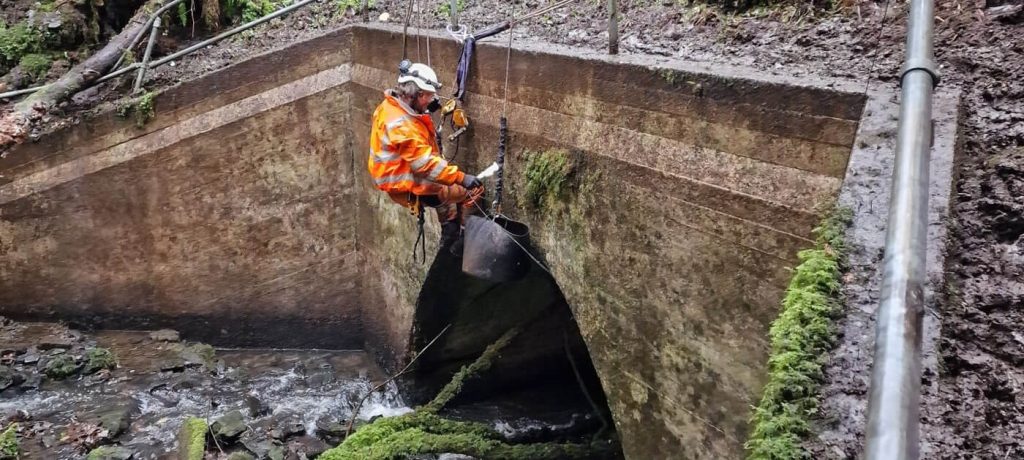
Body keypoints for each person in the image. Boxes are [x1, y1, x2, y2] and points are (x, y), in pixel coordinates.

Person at [367, 62, 484, 253]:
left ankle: (449, 230)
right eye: (429, 97)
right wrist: (463, 178)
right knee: (473, 190)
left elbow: (413, 141)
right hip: (410, 184)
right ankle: (466, 240)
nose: (432, 100)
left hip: (399, 179)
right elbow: (426, 166)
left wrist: (426, 109)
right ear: (418, 95)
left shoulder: (389, 107)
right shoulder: (402, 127)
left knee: (445, 186)